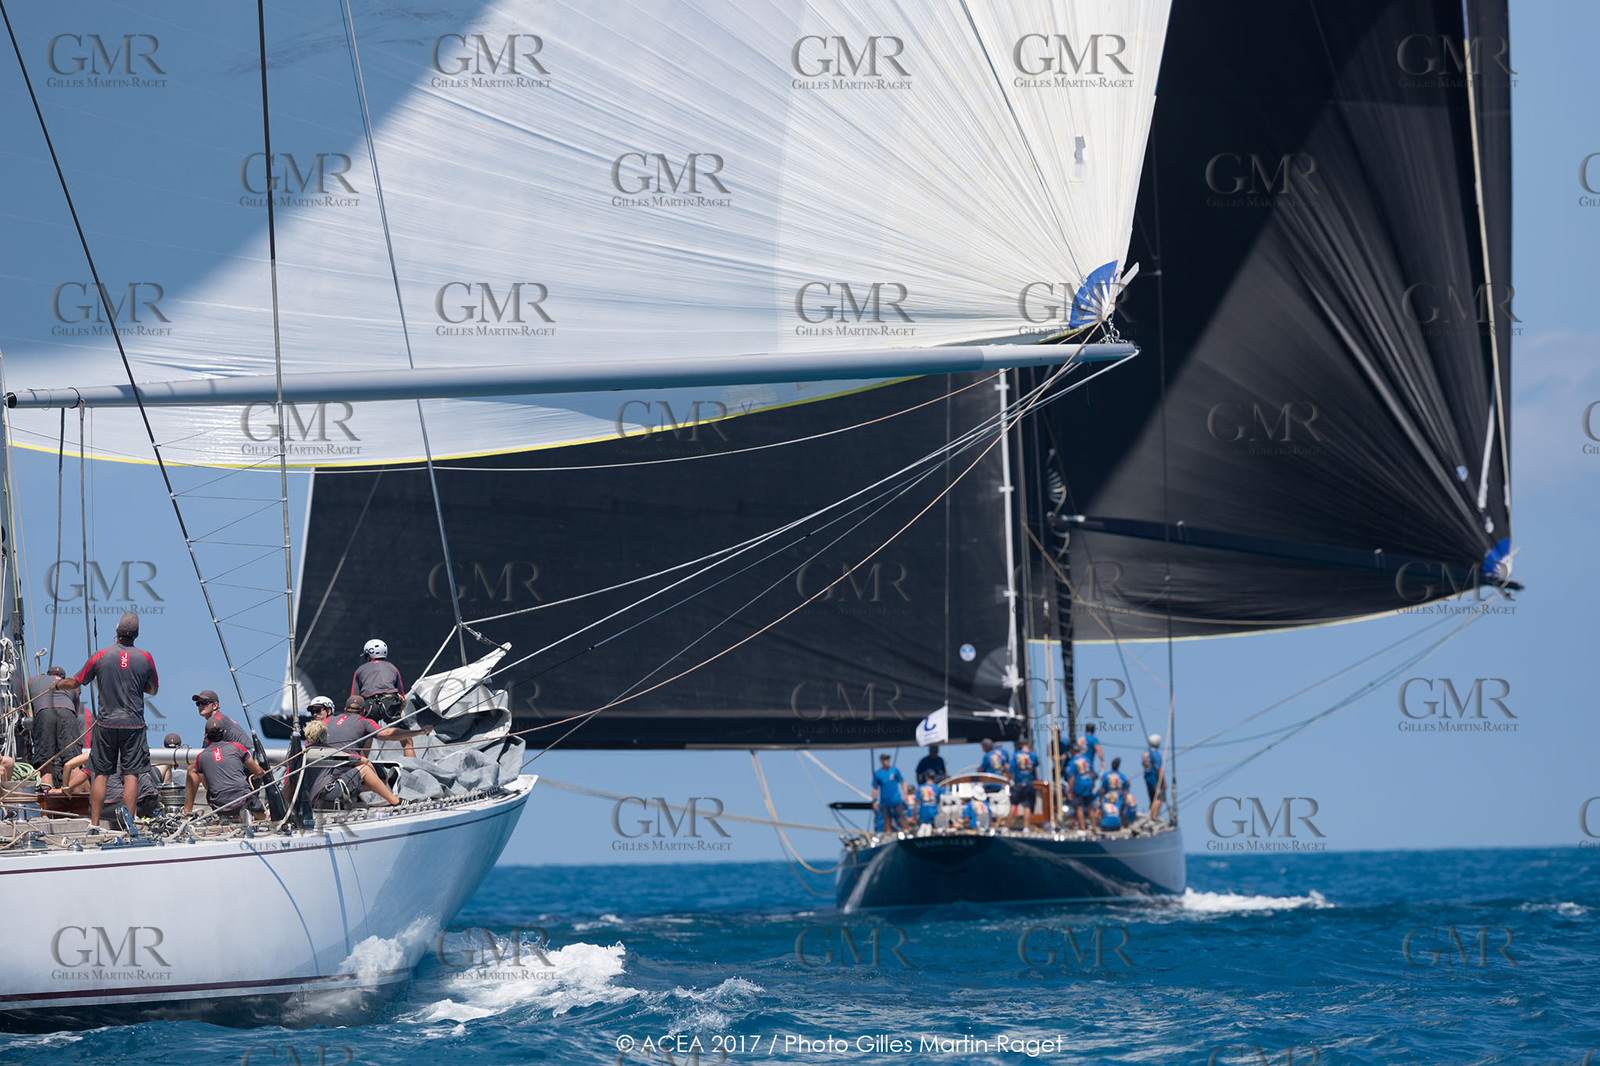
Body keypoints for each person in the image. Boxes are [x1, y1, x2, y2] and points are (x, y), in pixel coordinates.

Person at [56, 610, 157, 829]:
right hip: (134, 724)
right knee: (131, 774)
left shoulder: (100, 656)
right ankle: (130, 824)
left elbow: (75, 681)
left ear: (116, 632)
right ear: (136, 635)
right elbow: (153, 690)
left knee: (101, 773)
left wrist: (55, 686)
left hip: (106, 724)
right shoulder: (146, 658)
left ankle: (94, 823)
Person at [309, 697, 430, 808]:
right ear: (363, 711)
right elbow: (386, 734)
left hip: (317, 786)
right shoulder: (364, 722)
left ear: (345, 709)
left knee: (367, 769)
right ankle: (396, 802)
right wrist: (419, 732)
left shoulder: (326, 722)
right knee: (376, 774)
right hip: (333, 786)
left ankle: (350, 796)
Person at [184, 716, 267, 822]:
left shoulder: (201, 757)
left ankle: (228, 816)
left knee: (216, 795)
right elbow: (258, 771)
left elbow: (207, 786)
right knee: (265, 817)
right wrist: (258, 775)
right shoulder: (237, 747)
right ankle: (250, 814)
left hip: (219, 805)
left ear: (206, 735)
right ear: (224, 732)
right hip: (242, 800)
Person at [29, 666, 79, 788]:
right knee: (73, 763)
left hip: (44, 712)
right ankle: (79, 805)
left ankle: (47, 802)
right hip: (67, 713)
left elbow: (28, 712)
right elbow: (75, 713)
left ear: (48, 674)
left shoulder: (33, 680)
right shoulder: (73, 687)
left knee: (45, 764)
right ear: (63, 678)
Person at [351, 638, 405, 718]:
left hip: (370, 705)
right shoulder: (393, 667)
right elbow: (402, 695)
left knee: (368, 727)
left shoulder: (360, 670)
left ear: (369, 656)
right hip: (390, 703)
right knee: (397, 726)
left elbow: (353, 698)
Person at [871, 753, 907, 833]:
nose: (886, 761)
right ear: (881, 761)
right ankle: (888, 834)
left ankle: (907, 831)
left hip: (896, 799)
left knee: (902, 816)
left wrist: (905, 793)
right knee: (886, 819)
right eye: (884, 759)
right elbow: (875, 788)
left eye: (887, 759)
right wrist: (874, 800)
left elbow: (902, 782)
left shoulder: (894, 770)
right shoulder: (878, 774)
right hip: (885, 801)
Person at [1009, 740, 1039, 829]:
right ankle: (1026, 828)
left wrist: (1010, 780)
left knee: (1013, 805)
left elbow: (1011, 770)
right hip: (1029, 783)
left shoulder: (1016, 755)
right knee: (1027, 807)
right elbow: (1035, 769)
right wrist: (1036, 780)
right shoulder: (1033, 755)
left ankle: (1006, 827)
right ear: (1029, 745)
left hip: (1018, 783)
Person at [1067, 747, 1097, 831]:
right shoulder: (1087, 759)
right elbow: (1092, 774)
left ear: (1072, 751)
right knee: (1089, 807)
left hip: (1078, 786)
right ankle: (1094, 827)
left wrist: (1069, 791)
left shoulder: (1072, 762)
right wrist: (1092, 785)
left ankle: (1082, 828)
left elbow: (1072, 778)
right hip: (1088, 784)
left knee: (1079, 807)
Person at [1143, 733, 1166, 822]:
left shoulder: (1146, 754)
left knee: (1152, 798)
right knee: (1159, 798)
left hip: (1147, 779)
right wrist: (1163, 782)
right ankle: (1153, 816)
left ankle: (1152, 814)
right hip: (1155, 780)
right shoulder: (1156, 754)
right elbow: (1159, 769)